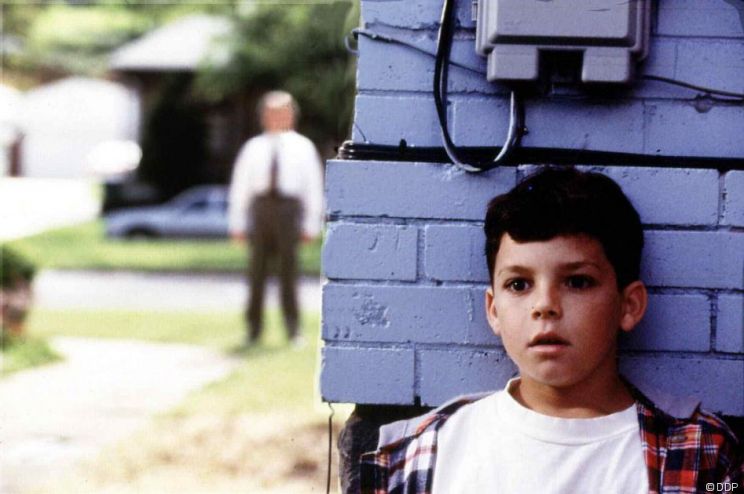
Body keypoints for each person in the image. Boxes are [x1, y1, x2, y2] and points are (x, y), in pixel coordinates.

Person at [359, 167, 743, 493]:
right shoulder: (423, 453)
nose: (544, 305)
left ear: (629, 306)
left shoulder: (700, 453)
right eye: (519, 284)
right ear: (493, 310)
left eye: (577, 282)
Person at [228, 91, 323, 347]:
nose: (276, 117)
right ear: (263, 116)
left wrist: (311, 224)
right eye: (271, 113)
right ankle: (253, 330)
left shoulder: (303, 147)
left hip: (289, 211)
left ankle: (293, 330)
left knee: (288, 273)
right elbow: (240, 188)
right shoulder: (253, 147)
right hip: (261, 210)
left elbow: (313, 188)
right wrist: (237, 224)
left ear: (291, 115)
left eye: (281, 112)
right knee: (256, 273)